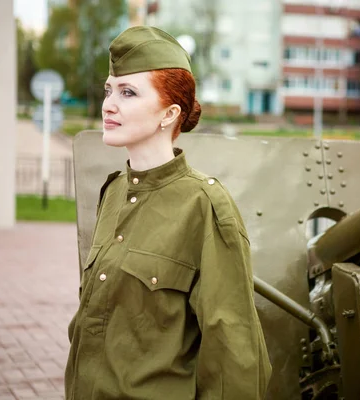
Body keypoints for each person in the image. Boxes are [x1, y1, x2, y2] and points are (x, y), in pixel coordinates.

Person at [65, 26, 272, 399]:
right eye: (109, 89)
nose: (109, 104)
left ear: (169, 113)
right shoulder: (113, 192)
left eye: (128, 93)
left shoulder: (203, 204)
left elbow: (233, 349)